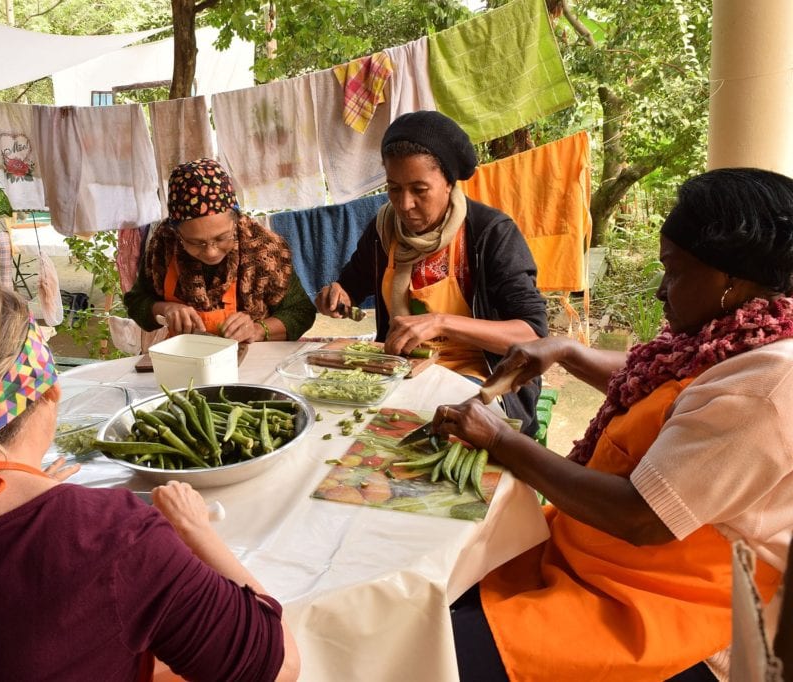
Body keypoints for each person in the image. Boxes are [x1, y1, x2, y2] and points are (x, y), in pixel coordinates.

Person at [0, 275, 300, 681]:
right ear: (47, 392)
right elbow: (275, 667)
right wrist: (197, 530)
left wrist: (25, 485)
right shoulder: (115, 537)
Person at [435, 168, 793, 681]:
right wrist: (565, 351)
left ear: (729, 279)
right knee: (439, 595)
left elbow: (641, 518)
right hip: (590, 558)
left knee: (433, 655)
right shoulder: (738, 335)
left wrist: (500, 439)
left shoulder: (765, 387)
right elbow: (657, 390)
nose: (661, 291)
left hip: (656, 605)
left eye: (674, 271)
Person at [315, 111, 547, 434]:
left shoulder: (490, 234)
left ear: (449, 182)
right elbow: (350, 285)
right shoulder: (384, 231)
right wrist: (337, 293)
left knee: (434, 430)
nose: (404, 204)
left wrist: (441, 322)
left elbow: (533, 335)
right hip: (401, 370)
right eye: (394, 188)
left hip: (482, 378)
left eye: (419, 190)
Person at [124, 158, 316, 343]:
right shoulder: (163, 246)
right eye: (195, 242)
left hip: (253, 364)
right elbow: (136, 301)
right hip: (187, 361)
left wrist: (258, 330)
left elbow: (301, 311)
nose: (211, 252)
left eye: (221, 238)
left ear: (236, 219)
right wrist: (164, 309)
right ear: (176, 231)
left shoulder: (264, 250)